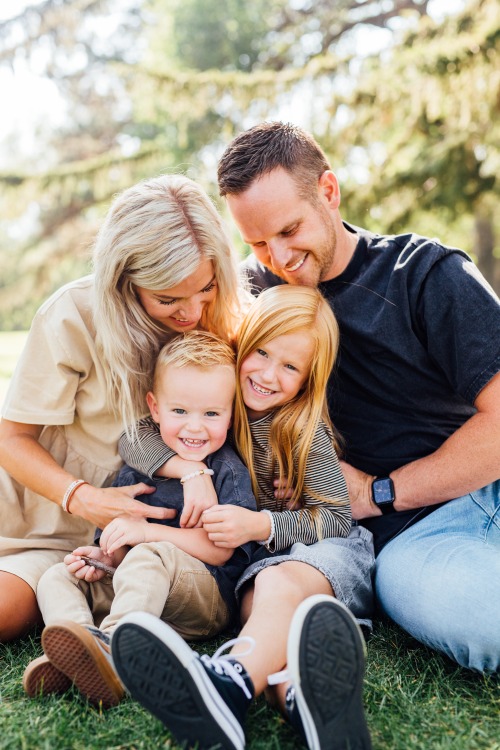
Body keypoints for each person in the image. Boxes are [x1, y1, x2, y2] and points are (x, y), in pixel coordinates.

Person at [212, 121, 500, 674]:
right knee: (478, 615)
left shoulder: (422, 274)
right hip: (415, 542)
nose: (277, 256)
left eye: (289, 230)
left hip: (482, 481)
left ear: (328, 191)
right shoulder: (253, 297)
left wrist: (377, 491)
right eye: (256, 242)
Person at [112, 285, 374, 750]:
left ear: (310, 377)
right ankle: (299, 698)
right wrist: (192, 472)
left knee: (274, 591)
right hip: (258, 562)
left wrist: (265, 525)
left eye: (291, 366)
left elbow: (336, 516)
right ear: (243, 344)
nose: (269, 374)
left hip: (320, 549)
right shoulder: (217, 398)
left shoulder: (301, 432)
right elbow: (136, 440)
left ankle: (225, 685)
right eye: (262, 352)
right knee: (260, 613)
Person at [0, 173, 248, 643]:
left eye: (206, 288)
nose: (191, 313)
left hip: (128, 548)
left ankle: (103, 644)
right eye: (167, 298)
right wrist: (82, 497)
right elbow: (11, 440)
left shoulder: (219, 326)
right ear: (125, 282)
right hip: (37, 524)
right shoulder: (74, 314)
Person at [22, 331, 257, 708]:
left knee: (151, 554)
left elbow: (220, 554)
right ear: (155, 407)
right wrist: (102, 559)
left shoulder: (226, 469)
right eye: (180, 411)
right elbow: (115, 544)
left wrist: (146, 533)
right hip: (139, 592)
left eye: (211, 413)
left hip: (204, 600)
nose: (194, 427)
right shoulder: (139, 466)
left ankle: (116, 654)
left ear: (231, 414)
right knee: (57, 574)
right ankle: (79, 646)